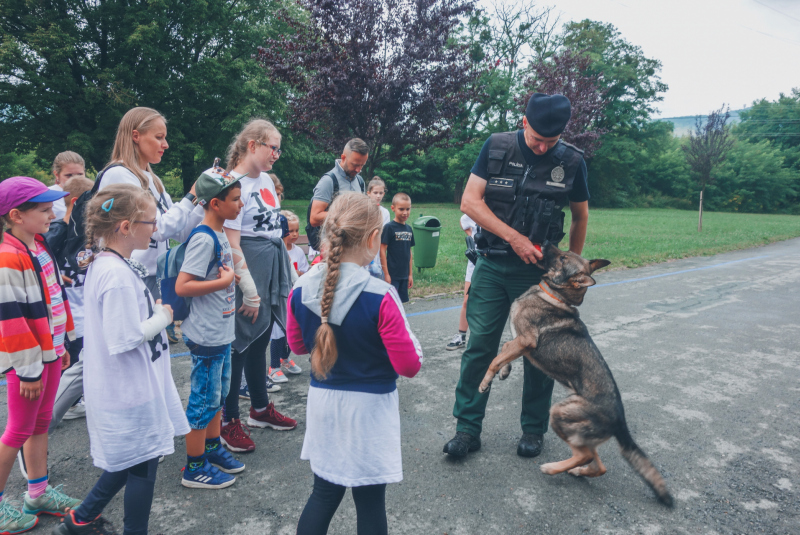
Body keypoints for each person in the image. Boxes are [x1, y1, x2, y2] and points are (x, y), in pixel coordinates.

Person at [443, 92, 590, 460]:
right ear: (524, 122)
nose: (542, 148)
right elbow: (469, 201)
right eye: (537, 138)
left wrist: (572, 264)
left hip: (539, 273)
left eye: (550, 142)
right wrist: (514, 237)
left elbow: (580, 216)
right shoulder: (497, 146)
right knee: (480, 346)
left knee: (539, 351)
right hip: (492, 264)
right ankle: (467, 428)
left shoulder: (572, 161)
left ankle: (533, 429)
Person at [53, 184, 189, 535]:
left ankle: (80, 518)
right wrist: (162, 316)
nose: (155, 229)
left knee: (135, 460)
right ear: (126, 226)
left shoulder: (113, 265)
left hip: (133, 385)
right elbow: (124, 337)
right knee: (143, 466)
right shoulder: (113, 274)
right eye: (151, 223)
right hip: (129, 389)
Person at [287, 193, 422, 535]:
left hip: (324, 403)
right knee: (370, 501)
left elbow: (299, 346)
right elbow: (408, 365)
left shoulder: (300, 289)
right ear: (374, 238)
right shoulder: (380, 294)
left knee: (323, 494)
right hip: (370, 409)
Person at [0, 176, 81, 534]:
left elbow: (54, 298)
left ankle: (37, 492)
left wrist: (63, 343)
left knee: (40, 424)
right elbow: (12, 321)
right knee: (17, 431)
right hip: (28, 364)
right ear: (17, 215)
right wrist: (30, 370)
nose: (54, 214)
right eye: (45, 209)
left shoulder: (39, 244)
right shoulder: (8, 257)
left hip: (49, 353)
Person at [219, 119, 297, 456]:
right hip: (247, 263)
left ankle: (260, 409)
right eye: (272, 147)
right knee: (239, 342)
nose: (277, 154)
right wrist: (247, 284)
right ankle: (227, 420)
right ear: (252, 145)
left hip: (270, 259)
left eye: (279, 148)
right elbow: (231, 236)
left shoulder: (264, 178)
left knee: (262, 336)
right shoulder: (233, 182)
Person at [176, 169, 247, 489]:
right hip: (205, 335)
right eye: (235, 199)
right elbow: (183, 286)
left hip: (220, 331)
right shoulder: (203, 237)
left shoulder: (219, 234)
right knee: (203, 401)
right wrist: (223, 281)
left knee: (216, 396)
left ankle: (212, 448)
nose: (241, 204)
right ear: (215, 204)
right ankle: (194, 467)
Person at [97, 107, 204, 299]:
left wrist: (203, 200)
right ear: (136, 136)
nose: (166, 144)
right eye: (159, 137)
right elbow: (158, 229)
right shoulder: (118, 174)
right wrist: (191, 196)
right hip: (130, 274)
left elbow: (181, 232)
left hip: (155, 275)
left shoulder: (154, 181)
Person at [43, 175, 95, 428]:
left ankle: (71, 402)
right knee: (72, 362)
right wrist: (51, 274)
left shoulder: (85, 231)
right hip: (69, 313)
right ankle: (56, 411)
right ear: (76, 202)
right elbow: (41, 261)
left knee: (80, 360)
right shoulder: (58, 231)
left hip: (84, 310)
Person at [306, 138, 369, 250]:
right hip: (332, 249)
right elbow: (314, 219)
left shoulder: (359, 181)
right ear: (343, 158)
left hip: (354, 247)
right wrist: (347, 214)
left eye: (362, 165)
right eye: (355, 165)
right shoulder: (329, 181)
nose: (358, 169)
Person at [267, 210, 307, 384]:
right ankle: (273, 367)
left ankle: (285, 358)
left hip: (293, 296)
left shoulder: (298, 251)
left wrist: (301, 274)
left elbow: (304, 271)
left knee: (291, 330)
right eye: (290, 230)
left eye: (297, 230)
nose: (295, 234)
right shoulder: (275, 249)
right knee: (277, 332)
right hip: (279, 297)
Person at [445, 213, 478, 351]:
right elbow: (463, 221)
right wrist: (472, 236)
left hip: (494, 261)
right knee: (467, 301)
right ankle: (461, 337)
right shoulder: (475, 211)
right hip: (475, 260)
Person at [380, 193, 414, 303]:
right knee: (390, 302)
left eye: (408, 209)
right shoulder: (389, 227)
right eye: (401, 209)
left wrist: (410, 274)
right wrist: (386, 274)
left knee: (401, 303)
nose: (405, 212)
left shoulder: (409, 229)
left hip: (404, 275)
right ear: (393, 208)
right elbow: (382, 250)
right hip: (392, 275)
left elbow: (409, 252)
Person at [49, 152, 87, 221]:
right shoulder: (48, 196)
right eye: (69, 175)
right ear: (57, 175)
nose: (75, 179)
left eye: (80, 174)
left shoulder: (92, 193)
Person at [366, 177, 390, 279]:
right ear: (369, 193)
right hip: (365, 248)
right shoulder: (364, 210)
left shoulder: (385, 212)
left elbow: (384, 234)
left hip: (378, 249)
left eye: (381, 193)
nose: (378, 196)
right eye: (375, 193)